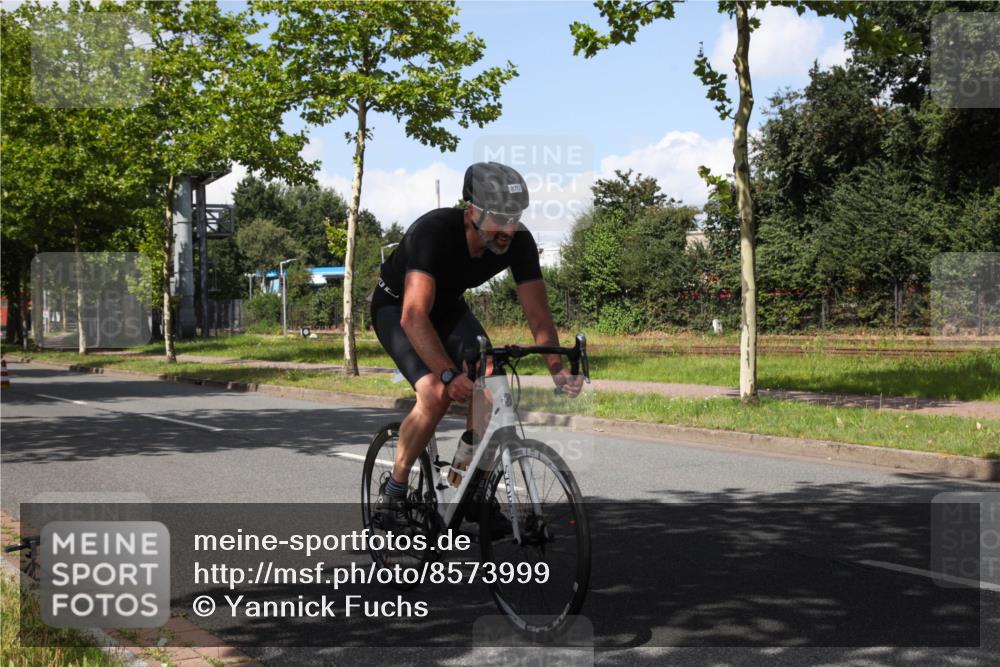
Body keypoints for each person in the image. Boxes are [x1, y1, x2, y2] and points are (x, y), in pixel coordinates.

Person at [370, 161, 583, 534]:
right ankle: (395, 491)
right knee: (435, 394)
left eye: (514, 218)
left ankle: (470, 488)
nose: (507, 229)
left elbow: (538, 316)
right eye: (498, 218)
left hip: (449, 309)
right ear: (471, 211)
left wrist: (556, 368)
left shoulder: (519, 243)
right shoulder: (433, 232)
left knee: (492, 384)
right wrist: (449, 374)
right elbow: (414, 316)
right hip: (398, 309)